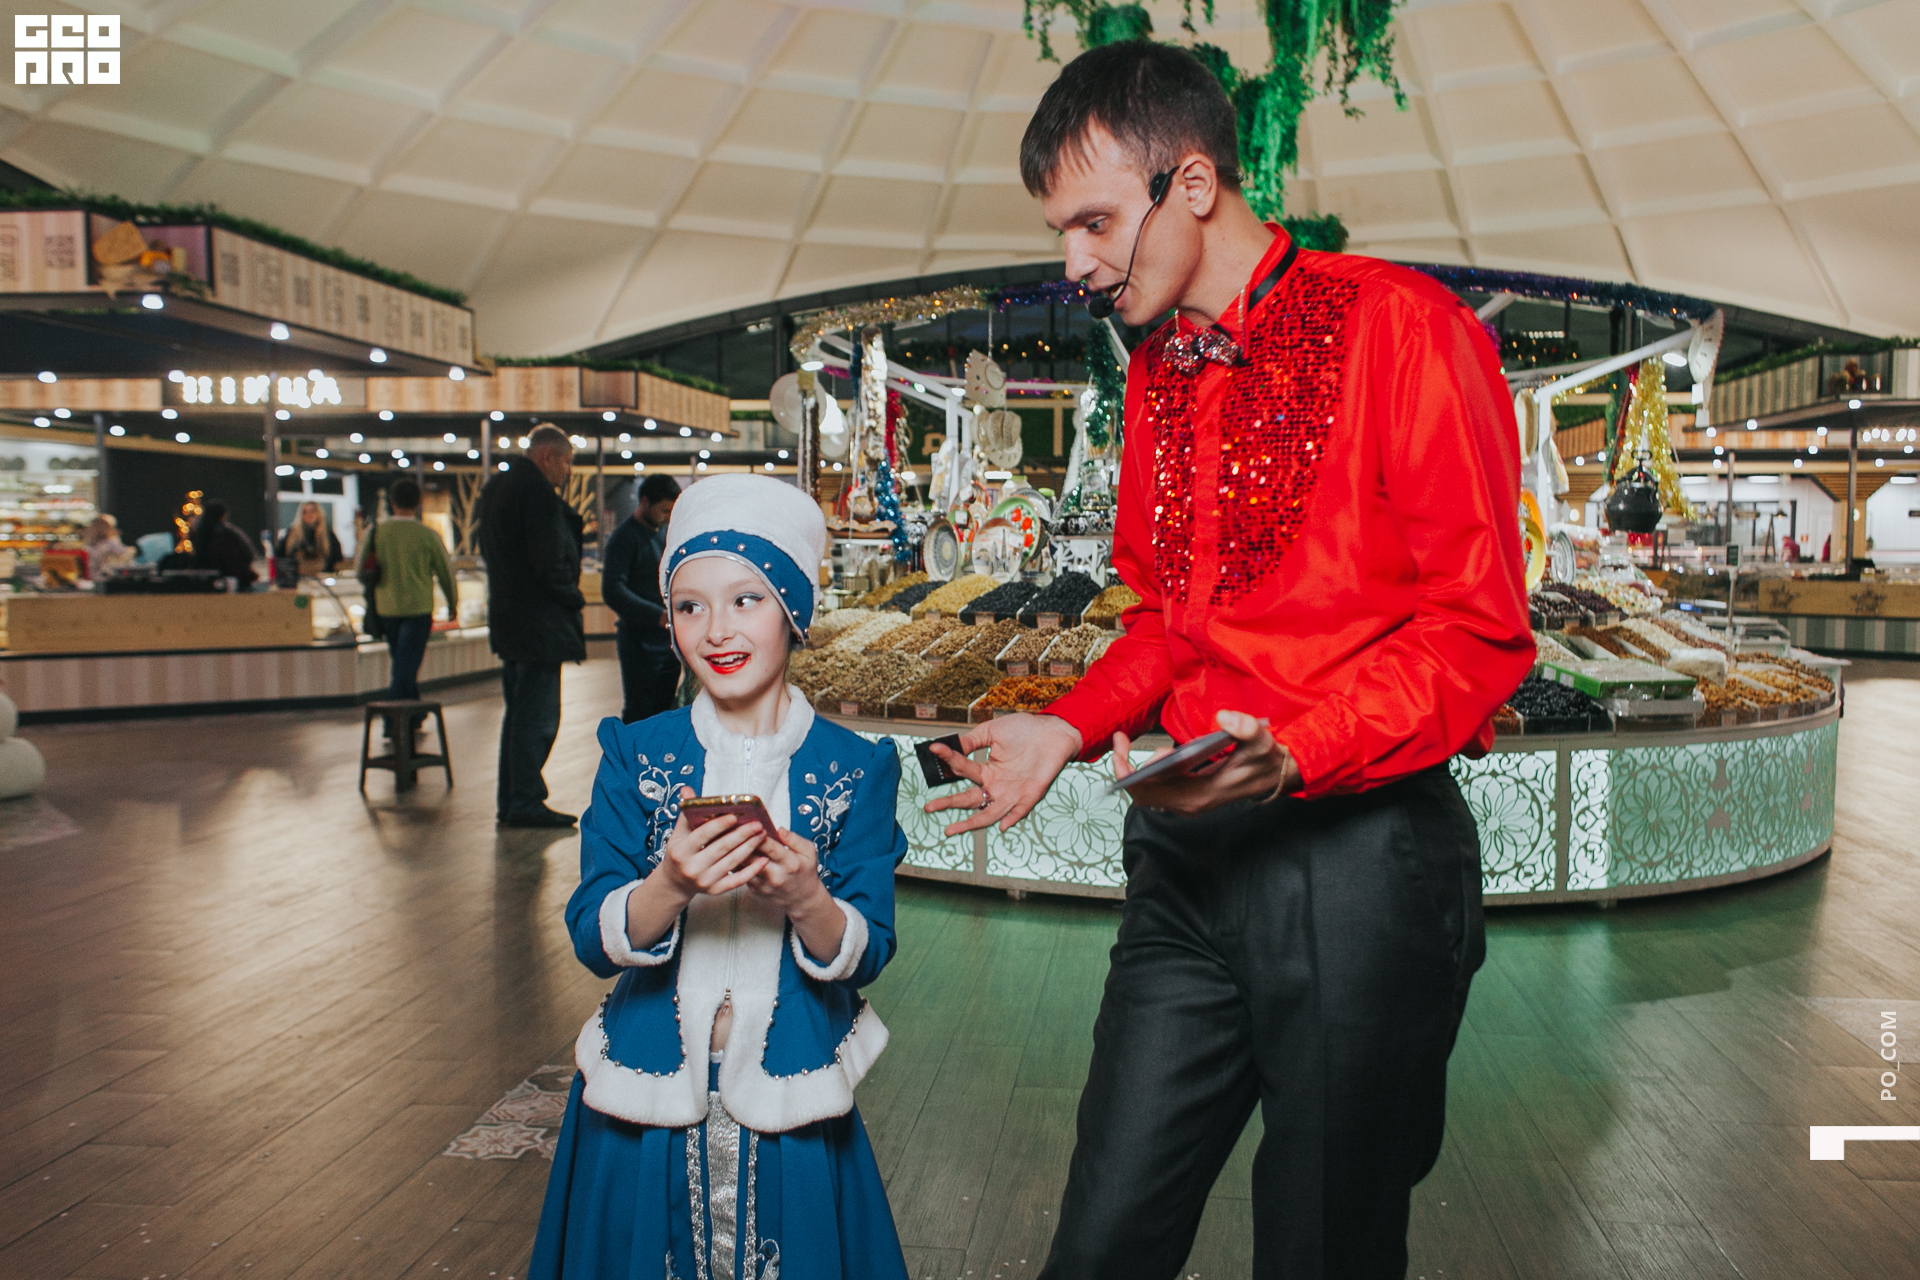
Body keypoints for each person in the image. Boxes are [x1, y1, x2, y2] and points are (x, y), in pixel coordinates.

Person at [925, 43, 1533, 1280]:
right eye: (1061, 230)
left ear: (1192, 184)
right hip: (1189, 860)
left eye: (1095, 222)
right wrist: (1068, 725)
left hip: (1360, 869)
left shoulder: (1403, 329)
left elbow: (1478, 631)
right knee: (1102, 1238)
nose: (1074, 262)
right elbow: (1167, 617)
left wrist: (1296, 748)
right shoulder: (1159, 368)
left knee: (1323, 1245)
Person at [528, 474, 909, 1280]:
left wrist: (807, 899)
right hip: (643, 1100)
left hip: (792, 1097)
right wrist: (668, 884)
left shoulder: (856, 768)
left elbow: (869, 947)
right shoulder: (635, 755)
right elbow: (591, 933)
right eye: (689, 606)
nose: (717, 630)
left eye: (747, 599)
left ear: (794, 609)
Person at [478, 424, 587, 829]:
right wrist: (572, 596)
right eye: (567, 462)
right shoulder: (536, 493)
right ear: (547, 456)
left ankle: (513, 800)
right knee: (537, 719)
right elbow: (549, 560)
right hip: (539, 624)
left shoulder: (497, 488)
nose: (568, 471)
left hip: (508, 619)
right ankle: (525, 801)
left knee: (518, 715)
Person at [360, 478, 455, 702]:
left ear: (392, 502)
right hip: (419, 609)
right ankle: (394, 715)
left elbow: (360, 570)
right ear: (419, 502)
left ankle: (412, 714)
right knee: (406, 666)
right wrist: (453, 603)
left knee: (402, 662)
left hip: (386, 608)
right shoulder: (428, 535)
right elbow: (446, 572)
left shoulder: (375, 533)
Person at [603, 472, 682, 722]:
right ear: (645, 502)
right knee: (640, 710)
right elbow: (613, 590)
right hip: (639, 643)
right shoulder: (624, 538)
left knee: (664, 708)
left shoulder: (664, 534)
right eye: (664, 510)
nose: (668, 517)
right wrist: (656, 615)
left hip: (667, 641)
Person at [189, 500, 258, 589]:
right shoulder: (229, 534)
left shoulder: (198, 534)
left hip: (207, 578)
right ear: (223, 515)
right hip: (234, 577)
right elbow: (248, 555)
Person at [277, 500, 344, 573]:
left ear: (318, 513)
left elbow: (337, 560)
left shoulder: (328, 534)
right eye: (304, 512)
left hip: (322, 575)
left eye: (312, 511)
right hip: (297, 575)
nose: (308, 515)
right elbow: (280, 556)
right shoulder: (291, 533)